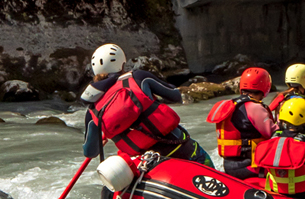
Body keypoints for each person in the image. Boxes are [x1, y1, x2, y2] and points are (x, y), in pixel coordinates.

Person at [81, 44, 213, 167]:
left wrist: (100, 141)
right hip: (180, 149)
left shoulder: (93, 110)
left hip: (147, 164)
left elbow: (90, 152)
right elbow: (175, 96)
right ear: (122, 64)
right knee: (205, 161)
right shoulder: (138, 77)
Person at [206, 67, 276, 179]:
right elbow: (273, 134)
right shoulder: (254, 107)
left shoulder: (231, 105)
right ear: (265, 86)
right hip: (248, 166)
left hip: (229, 165)